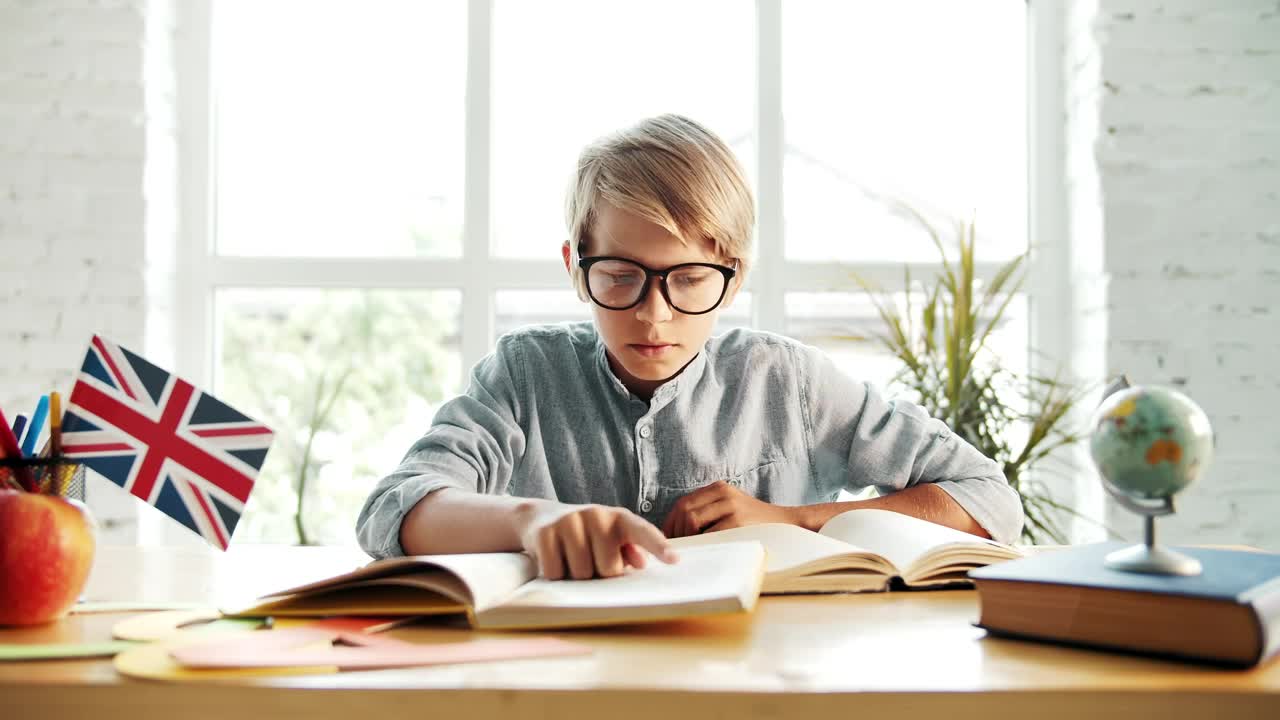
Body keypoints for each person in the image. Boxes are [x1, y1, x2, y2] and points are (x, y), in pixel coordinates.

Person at [356, 114, 1022, 579]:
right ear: (573, 266)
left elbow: (987, 497)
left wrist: (791, 520)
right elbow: (396, 507)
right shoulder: (526, 375)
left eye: (690, 280)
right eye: (619, 277)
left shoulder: (786, 381)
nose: (654, 314)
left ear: (734, 279)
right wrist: (530, 520)